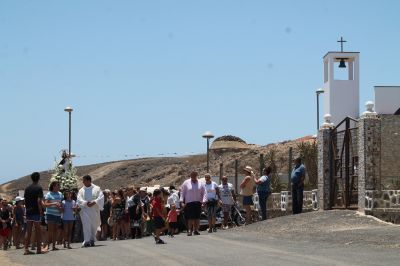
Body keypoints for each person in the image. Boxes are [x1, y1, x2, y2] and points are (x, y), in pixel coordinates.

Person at [77, 175, 104, 247]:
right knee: (86, 225)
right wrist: (86, 203)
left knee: (94, 226)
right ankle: (86, 241)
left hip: (94, 210)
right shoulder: (81, 190)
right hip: (85, 210)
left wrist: (94, 202)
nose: (83, 182)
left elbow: (101, 197)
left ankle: (92, 239)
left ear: (89, 180)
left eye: (84, 180)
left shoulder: (97, 188)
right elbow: (79, 199)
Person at [23, 172, 46, 255]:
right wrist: (41, 211)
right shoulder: (39, 188)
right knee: (38, 231)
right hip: (36, 211)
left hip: (29, 211)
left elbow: (25, 201)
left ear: (31, 178)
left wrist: (27, 209)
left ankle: (26, 249)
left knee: (28, 231)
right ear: (38, 178)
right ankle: (39, 249)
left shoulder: (27, 188)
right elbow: (39, 201)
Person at [180, 171, 207, 236]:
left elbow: (205, 192)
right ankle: (189, 230)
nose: (193, 176)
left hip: (198, 202)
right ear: (190, 175)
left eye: (195, 175)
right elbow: (182, 192)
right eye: (192, 175)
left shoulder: (201, 183)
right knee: (190, 218)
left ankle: (196, 230)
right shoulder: (186, 182)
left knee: (197, 217)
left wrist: (204, 201)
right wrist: (181, 201)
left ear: (197, 175)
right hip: (189, 202)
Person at [43, 181, 63, 251]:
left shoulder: (60, 194)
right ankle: (47, 246)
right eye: (58, 185)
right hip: (50, 214)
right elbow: (45, 204)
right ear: (53, 186)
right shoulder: (48, 194)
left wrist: (60, 208)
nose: (59, 187)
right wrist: (54, 203)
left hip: (57, 214)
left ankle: (53, 246)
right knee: (50, 231)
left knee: (55, 231)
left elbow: (61, 204)